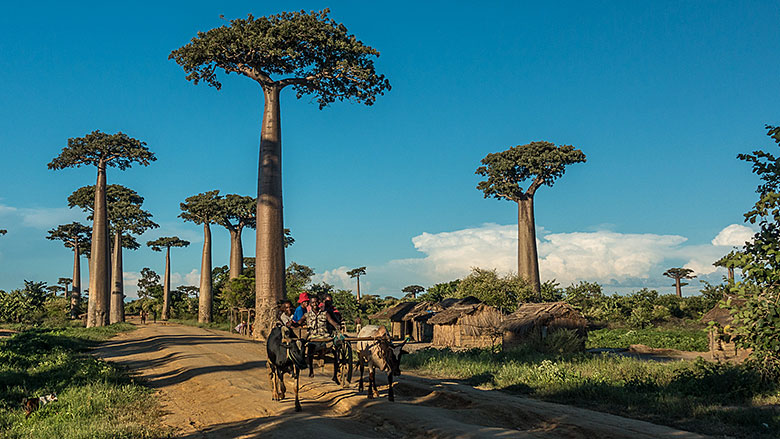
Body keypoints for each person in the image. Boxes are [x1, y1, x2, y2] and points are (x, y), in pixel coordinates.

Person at [305, 295, 342, 377]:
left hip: (325, 338)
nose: (314, 304)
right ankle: (311, 370)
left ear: (319, 303)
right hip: (313, 338)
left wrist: (336, 325)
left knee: (335, 350)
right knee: (309, 351)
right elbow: (299, 322)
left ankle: (335, 373)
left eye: (316, 302)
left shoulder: (325, 314)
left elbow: (331, 321)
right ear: (310, 304)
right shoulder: (307, 315)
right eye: (312, 302)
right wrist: (292, 323)